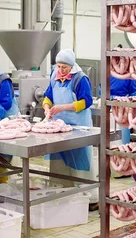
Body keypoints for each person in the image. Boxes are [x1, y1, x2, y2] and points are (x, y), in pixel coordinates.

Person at [42, 49, 98, 211]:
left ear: (72, 66)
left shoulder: (80, 79)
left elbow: (86, 101)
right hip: (60, 126)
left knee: (80, 159)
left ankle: (89, 199)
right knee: (59, 158)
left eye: (64, 67)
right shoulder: (55, 75)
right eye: (58, 66)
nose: (61, 70)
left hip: (78, 125)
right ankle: (62, 193)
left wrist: (64, 107)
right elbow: (48, 96)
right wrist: (47, 108)